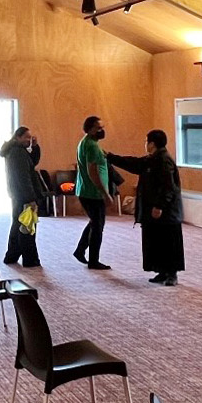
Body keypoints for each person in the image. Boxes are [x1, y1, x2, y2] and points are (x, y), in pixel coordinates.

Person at [107, 129, 184, 285]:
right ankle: (162, 271)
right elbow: (135, 164)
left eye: (146, 141)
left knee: (168, 242)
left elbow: (168, 187)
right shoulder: (153, 159)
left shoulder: (164, 160)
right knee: (156, 241)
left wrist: (159, 205)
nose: (145, 144)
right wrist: (111, 157)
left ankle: (171, 274)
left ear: (152, 144)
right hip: (154, 210)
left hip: (166, 212)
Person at [73, 115, 113, 269]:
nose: (101, 130)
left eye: (102, 127)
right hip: (93, 193)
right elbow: (93, 171)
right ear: (90, 129)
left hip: (86, 191)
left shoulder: (86, 142)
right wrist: (105, 193)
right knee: (98, 227)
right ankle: (93, 261)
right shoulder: (91, 146)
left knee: (95, 222)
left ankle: (80, 250)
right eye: (98, 128)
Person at [0, 125, 42, 267]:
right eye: (26, 137)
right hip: (23, 195)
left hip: (18, 194)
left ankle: (12, 256)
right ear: (18, 137)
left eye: (30, 137)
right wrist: (31, 198)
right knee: (27, 228)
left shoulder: (16, 151)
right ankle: (30, 260)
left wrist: (35, 147)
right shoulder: (17, 153)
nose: (28, 140)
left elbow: (31, 163)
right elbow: (24, 177)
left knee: (18, 224)